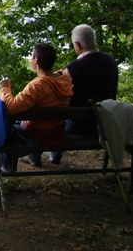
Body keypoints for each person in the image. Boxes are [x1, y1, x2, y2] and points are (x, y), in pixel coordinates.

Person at [47, 24, 119, 164]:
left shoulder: (74, 67)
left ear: (77, 45)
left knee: (52, 122)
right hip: (106, 123)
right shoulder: (110, 61)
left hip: (80, 125)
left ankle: (51, 154)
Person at [0, 43, 73, 171]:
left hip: (38, 133)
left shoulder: (37, 86)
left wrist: (5, 88)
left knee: (9, 126)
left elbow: (11, 107)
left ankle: (6, 166)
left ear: (36, 60)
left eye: (32, 57)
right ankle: (34, 157)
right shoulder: (65, 81)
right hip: (57, 130)